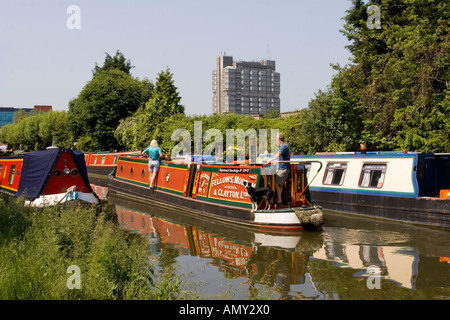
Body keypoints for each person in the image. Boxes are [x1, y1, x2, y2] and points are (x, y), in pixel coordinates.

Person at [267, 133, 290, 207]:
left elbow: (279, 154)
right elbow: (278, 155)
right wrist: (274, 161)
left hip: (283, 168)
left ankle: (279, 201)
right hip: (282, 168)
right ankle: (279, 200)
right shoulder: (282, 146)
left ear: (278, 139)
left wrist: (272, 159)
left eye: (276, 139)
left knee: (277, 183)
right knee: (280, 184)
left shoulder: (284, 146)